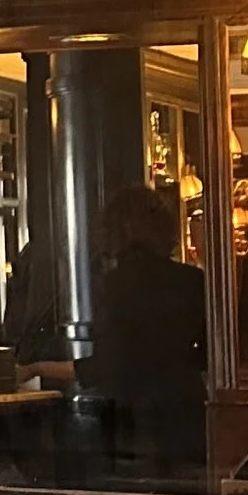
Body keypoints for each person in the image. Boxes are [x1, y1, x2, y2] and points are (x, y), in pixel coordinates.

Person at [79, 181, 205, 477]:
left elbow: (108, 365)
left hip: (132, 425)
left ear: (113, 231)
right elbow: (209, 354)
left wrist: (36, 367)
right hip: (187, 418)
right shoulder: (192, 281)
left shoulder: (109, 286)